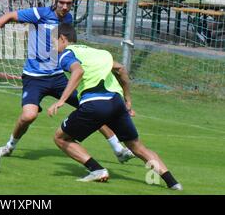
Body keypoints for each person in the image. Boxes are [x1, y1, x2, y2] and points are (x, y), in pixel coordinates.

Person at [0, 0, 135, 162]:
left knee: (91, 106)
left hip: (57, 77)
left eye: (69, 3)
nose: (64, 6)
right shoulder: (40, 14)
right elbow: (9, 16)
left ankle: (119, 150)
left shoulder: (67, 19)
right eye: (61, 2)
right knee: (28, 116)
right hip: (34, 77)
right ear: (55, 1)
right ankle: (9, 146)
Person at [47, 23, 182, 190]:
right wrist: (128, 100)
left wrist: (62, 100)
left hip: (94, 103)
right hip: (116, 102)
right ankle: (173, 183)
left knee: (60, 138)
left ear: (63, 38)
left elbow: (78, 71)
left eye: (53, 42)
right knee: (137, 146)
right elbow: (121, 69)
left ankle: (97, 170)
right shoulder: (96, 52)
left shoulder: (67, 54)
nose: (53, 47)